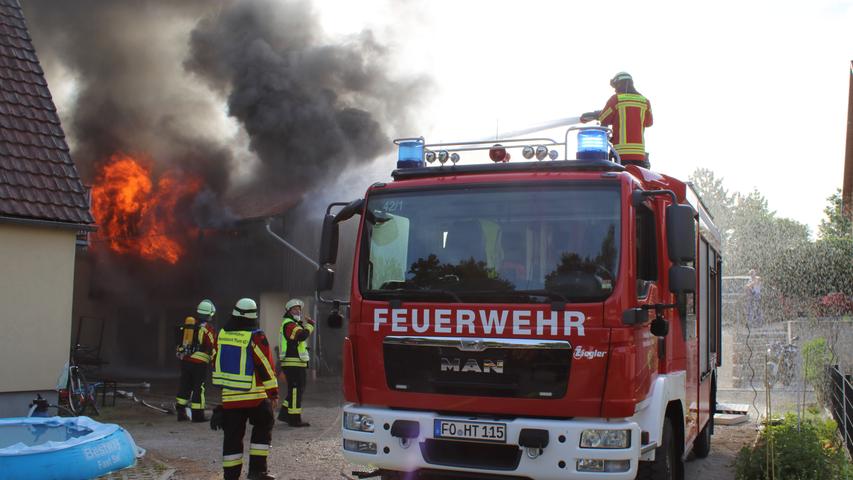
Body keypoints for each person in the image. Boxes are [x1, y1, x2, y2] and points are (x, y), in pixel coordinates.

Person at [210, 298, 278, 480]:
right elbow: (265, 365)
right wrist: (273, 393)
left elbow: (214, 360)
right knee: (264, 425)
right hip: (255, 397)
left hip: (230, 399)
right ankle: (257, 472)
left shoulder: (222, 335)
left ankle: (231, 476)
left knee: (232, 438)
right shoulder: (256, 336)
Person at [581, 71, 654, 167]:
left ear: (620, 84)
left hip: (620, 153)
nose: (615, 90)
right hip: (639, 155)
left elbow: (604, 120)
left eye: (615, 86)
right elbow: (649, 123)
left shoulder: (616, 99)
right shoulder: (645, 101)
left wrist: (597, 115)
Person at [175, 299, 217, 422]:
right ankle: (198, 416)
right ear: (209, 314)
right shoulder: (207, 329)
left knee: (185, 385)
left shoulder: (190, 326)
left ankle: (181, 413)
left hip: (186, 361)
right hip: (199, 364)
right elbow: (213, 345)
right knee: (199, 387)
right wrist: (216, 362)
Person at [278, 298, 315, 427]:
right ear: (289, 311)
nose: (298, 311)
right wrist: (310, 325)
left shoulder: (294, 324)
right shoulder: (289, 324)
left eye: (299, 309)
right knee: (295, 391)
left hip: (296, 363)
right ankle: (294, 419)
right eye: (295, 309)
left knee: (296, 390)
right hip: (292, 363)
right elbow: (301, 336)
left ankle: (284, 414)